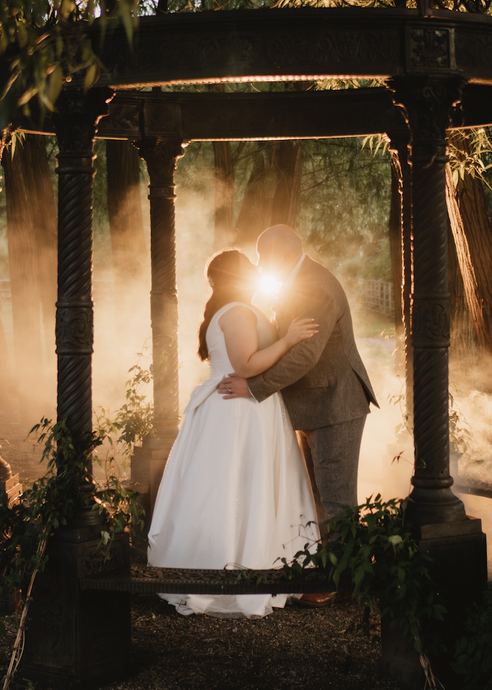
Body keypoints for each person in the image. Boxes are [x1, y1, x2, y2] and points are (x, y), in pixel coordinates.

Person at [145, 249, 323, 617]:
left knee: (234, 485)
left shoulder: (228, 310)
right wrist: (288, 339)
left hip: (242, 406)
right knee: (240, 484)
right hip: (242, 411)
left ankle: (255, 561)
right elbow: (245, 364)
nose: (259, 272)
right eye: (252, 268)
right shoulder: (238, 311)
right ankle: (236, 564)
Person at [215, 225, 378, 571]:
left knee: (336, 500)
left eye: (262, 257)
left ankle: (343, 582)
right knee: (318, 496)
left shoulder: (315, 287)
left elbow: (305, 356)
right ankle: (326, 573)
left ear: (280, 255)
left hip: (335, 405)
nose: (259, 265)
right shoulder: (295, 282)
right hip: (312, 406)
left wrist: (255, 387)